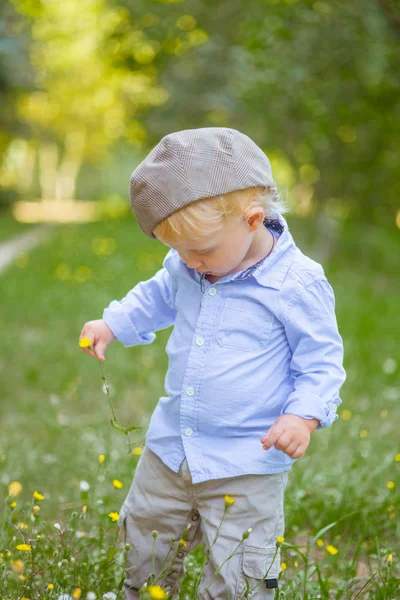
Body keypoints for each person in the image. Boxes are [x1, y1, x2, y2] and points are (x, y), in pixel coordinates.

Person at [79, 127, 346, 599]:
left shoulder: (296, 284)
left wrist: (303, 417)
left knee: (239, 570)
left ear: (252, 219)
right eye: (176, 250)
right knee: (146, 536)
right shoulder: (188, 264)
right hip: (172, 447)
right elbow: (158, 295)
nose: (188, 261)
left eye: (199, 250)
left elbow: (322, 362)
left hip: (247, 459)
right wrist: (113, 323)